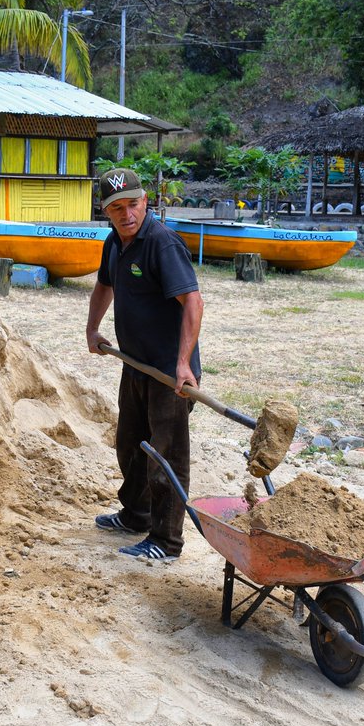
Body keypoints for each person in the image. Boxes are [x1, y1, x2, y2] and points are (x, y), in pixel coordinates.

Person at [86, 167, 203, 562]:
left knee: (164, 455)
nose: (127, 214)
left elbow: (193, 302)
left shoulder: (161, 243)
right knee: (131, 444)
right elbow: (104, 284)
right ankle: (136, 515)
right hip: (136, 363)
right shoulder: (114, 242)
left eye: (133, 204)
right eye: (117, 208)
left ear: (145, 201)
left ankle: (166, 541)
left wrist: (183, 364)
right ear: (106, 211)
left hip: (169, 373)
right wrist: (92, 329)